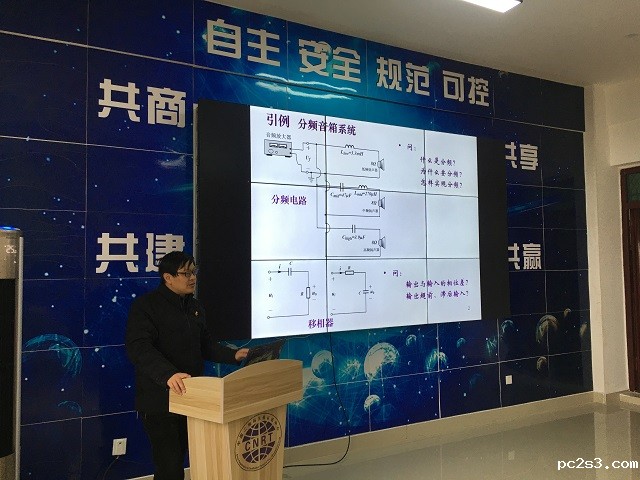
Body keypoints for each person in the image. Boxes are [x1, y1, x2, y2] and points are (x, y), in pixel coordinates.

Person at [126, 251, 248, 480]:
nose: (192, 278)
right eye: (186, 273)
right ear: (168, 278)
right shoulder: (146, 306)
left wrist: (233, 355)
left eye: (194, 272)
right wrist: (168, 375)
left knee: (186, 455)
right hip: (160, 398)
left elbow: (205, 346)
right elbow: (139, 348)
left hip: (192, 396)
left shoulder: (195, 307)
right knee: (169, 464)